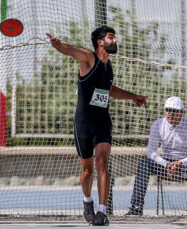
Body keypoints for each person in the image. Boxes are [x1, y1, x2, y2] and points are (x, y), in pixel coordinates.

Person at [46, 26, 148, 225]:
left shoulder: (109, 66)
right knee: (87, 170)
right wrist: (58, 45)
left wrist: (133, 96)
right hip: (84, 123)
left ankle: (102, 211)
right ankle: (87, 201)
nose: (115, 40)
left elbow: (109, 90)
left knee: (102, 163)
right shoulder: (88, 58)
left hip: (102, 122)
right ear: (100, 41)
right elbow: (71, 51)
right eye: (111, 37)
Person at [125, 96, 187, 216]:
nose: (171, 114)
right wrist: (166, 164)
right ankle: (136, 208)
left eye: (175, 111)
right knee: (144, 164)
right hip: (166, 165)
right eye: (168, 110)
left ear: (182, 112)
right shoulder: (158, 124)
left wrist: (181, 163)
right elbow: (150, 151)